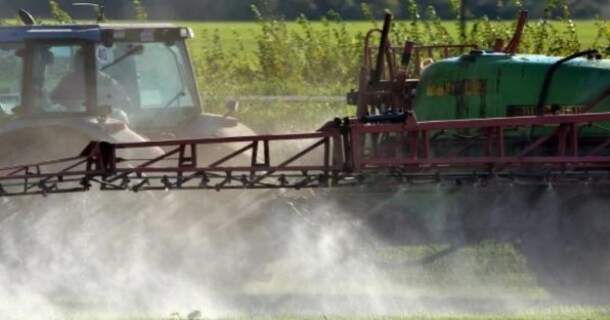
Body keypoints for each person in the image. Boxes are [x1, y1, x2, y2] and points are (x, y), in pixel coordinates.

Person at [51, 49, 133, 112]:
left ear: (75, 62)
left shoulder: (68, 80)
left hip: (76, 121)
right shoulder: (106, 80)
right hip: (98, 119)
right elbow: (126, 102)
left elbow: (53, 99)